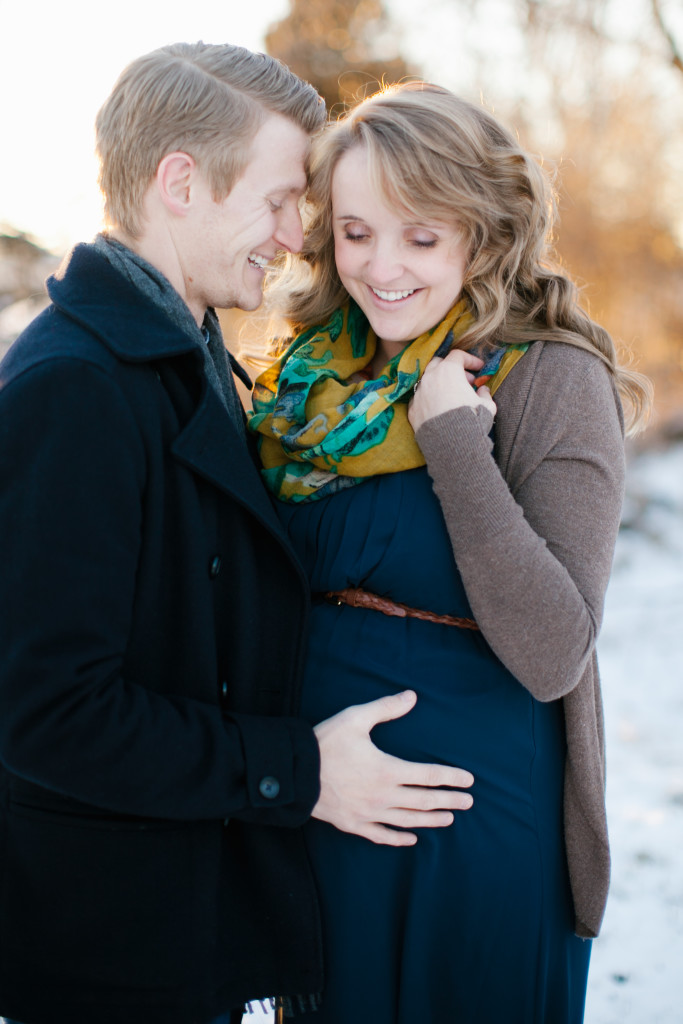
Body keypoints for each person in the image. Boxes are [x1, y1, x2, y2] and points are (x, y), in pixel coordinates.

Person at [0, 50, 476, 1024]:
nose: (297, 235)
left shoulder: (192, 356)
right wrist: (297, 769)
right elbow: (45, 712)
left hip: (179, 925)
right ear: (181, 183)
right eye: (277, 200)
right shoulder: (74, 388)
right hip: (108, 959)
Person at [249, 81, 652, 1023]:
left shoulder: (553, 375)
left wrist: (456, 447)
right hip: (319, 814)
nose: (381, 267)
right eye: (354, 232)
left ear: (484, 231)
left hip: (476, 829)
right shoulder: (304, 386)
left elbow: (554, 649)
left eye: (420, 237)